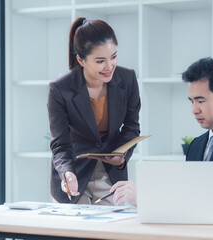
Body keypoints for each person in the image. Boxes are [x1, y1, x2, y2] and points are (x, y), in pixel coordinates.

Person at [111, 58, 213, 214]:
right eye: (191, 101)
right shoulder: (197, 145)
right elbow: (188, 195)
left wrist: (145, 198)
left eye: (200, 101)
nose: (194, 110)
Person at [47, 17, 141, 205]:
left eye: (113, 56)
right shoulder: (60, 89)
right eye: (100, 61)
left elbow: (132, 127)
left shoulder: (127, 78)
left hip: (112, 177)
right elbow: (60, 144)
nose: (109, 66)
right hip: (75, 176)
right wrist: (67, 173)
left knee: (111, 232)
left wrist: (120, 156)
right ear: (81, 59)